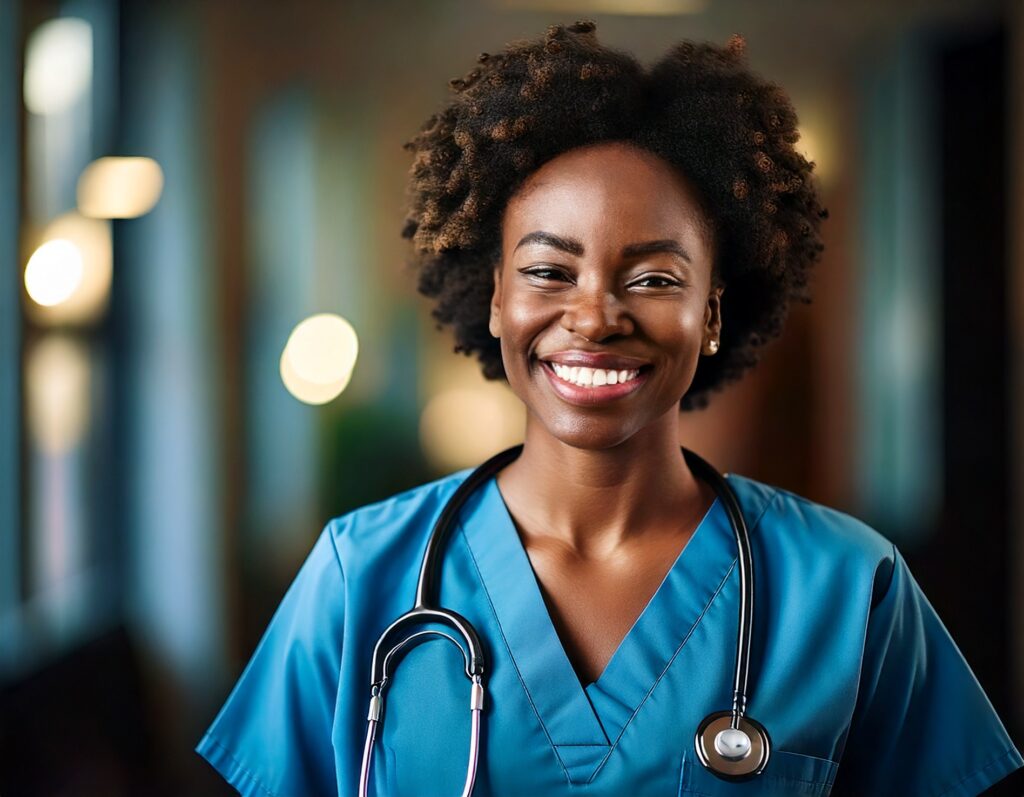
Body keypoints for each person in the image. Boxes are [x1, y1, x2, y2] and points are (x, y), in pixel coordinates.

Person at [196, 21, 1024, 796]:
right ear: (494, 301)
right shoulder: (358, 577)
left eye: (655, 278)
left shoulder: (849, 587)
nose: (594, 317)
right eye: (550, 272)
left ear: (712, 313)